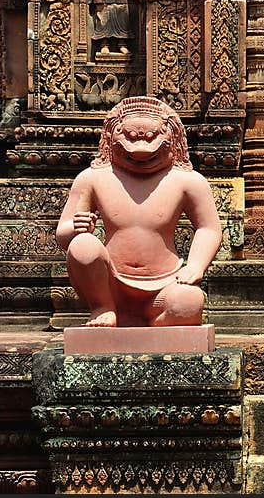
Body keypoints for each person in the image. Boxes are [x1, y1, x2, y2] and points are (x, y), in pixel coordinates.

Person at [56, 96, 222, 327]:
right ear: (111, 136)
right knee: (82, 246)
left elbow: (208, 228)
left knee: (189, 304)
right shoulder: (92, 178)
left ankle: (145, 321)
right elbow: (63, 236)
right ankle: (103, 308)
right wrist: (75, 228)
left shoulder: (188, 181)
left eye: (153, 137)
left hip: (164, 284)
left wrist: (195, 265)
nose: (140, 149)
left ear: (172, 137)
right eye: (130, 137)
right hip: (109, 284)